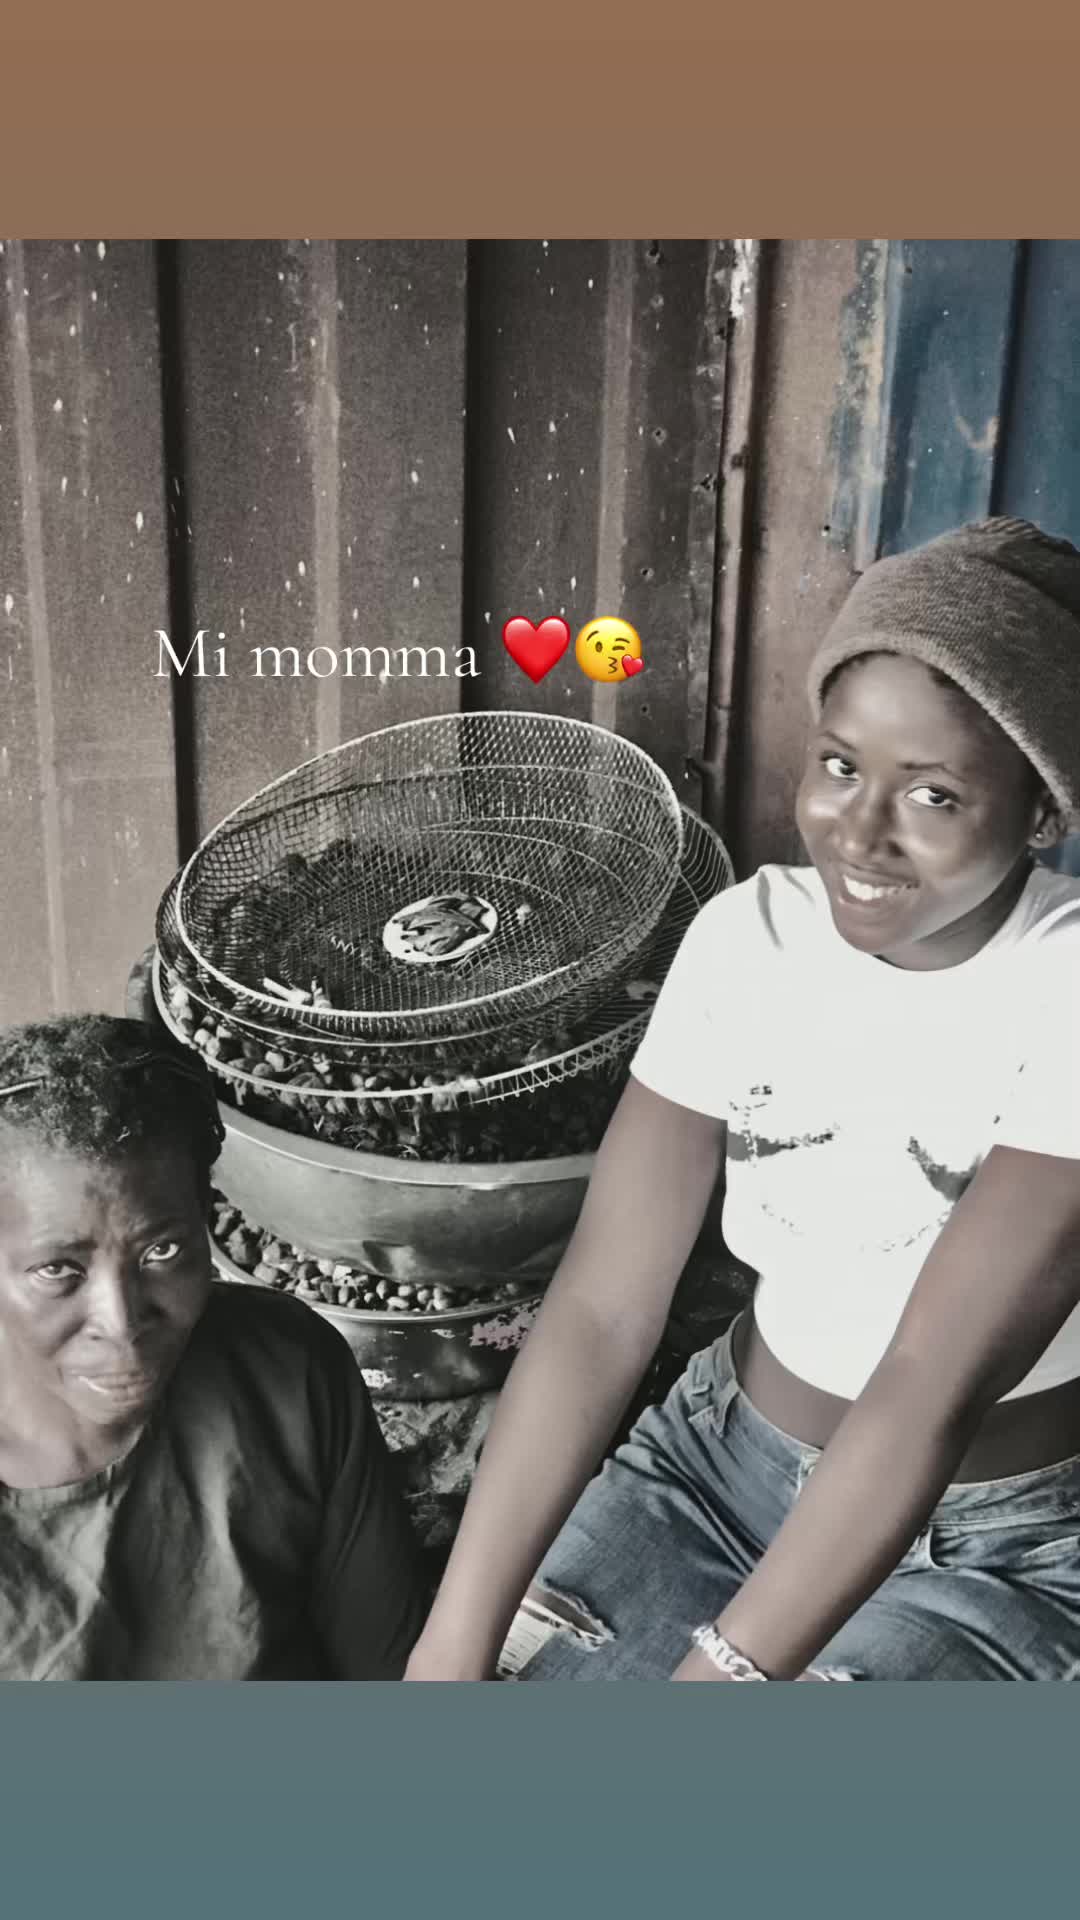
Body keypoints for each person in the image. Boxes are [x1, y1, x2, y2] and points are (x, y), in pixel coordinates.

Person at [406, 516, 1080, 1683]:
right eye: (841, 765)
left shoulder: (1060, 985)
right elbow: (603, 1306)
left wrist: (723, 1672)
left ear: (1042, 812)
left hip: (998, 1544)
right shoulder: (748, 941)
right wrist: (447, 1646)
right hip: (714, 1470)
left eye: (934, 795)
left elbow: (929, 1381)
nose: (859, 834)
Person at [0, 1014, 426, 1680]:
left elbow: (398, 1681)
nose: (122, 1321)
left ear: (208, 1222)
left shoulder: (285, 1370)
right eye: (59, 1269)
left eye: (162, 1251)